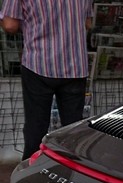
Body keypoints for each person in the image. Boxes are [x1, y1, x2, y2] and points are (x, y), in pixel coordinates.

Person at [0, 0, 93, 161]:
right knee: (74, 130)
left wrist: (33, 24)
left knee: (36, 127)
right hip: (75, 65)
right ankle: (72, 173)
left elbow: (9, 25)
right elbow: (88, 23)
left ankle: (32, 175)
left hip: (38, 62)